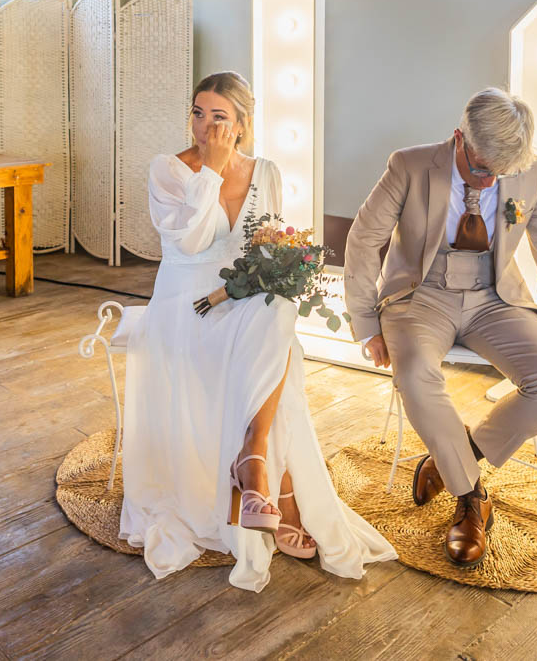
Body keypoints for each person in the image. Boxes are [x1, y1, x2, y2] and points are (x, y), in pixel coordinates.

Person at [119, 71, 397, 592]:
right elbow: (190, 242)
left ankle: (254, 458)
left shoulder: (265, 172)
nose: (205, 127)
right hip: (184, 304)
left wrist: (274, 265)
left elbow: (262, 251)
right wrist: (212, 168)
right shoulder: (168, 170)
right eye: (198, 113)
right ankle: (278, 488)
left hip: (241, 299)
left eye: (219, 117)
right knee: (279, 348)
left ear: (242, 124)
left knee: (278, 313)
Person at [344, 87, 537, 567]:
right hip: (421, 294)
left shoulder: (532, 172)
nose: (490, 182)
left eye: (501, 174)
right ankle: (471, 498)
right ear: (459, 138)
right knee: (414, 374)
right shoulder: (409, 166)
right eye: (481, 169)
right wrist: (366, 323)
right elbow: (364, 241)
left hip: (496, 297)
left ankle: (456, 455)